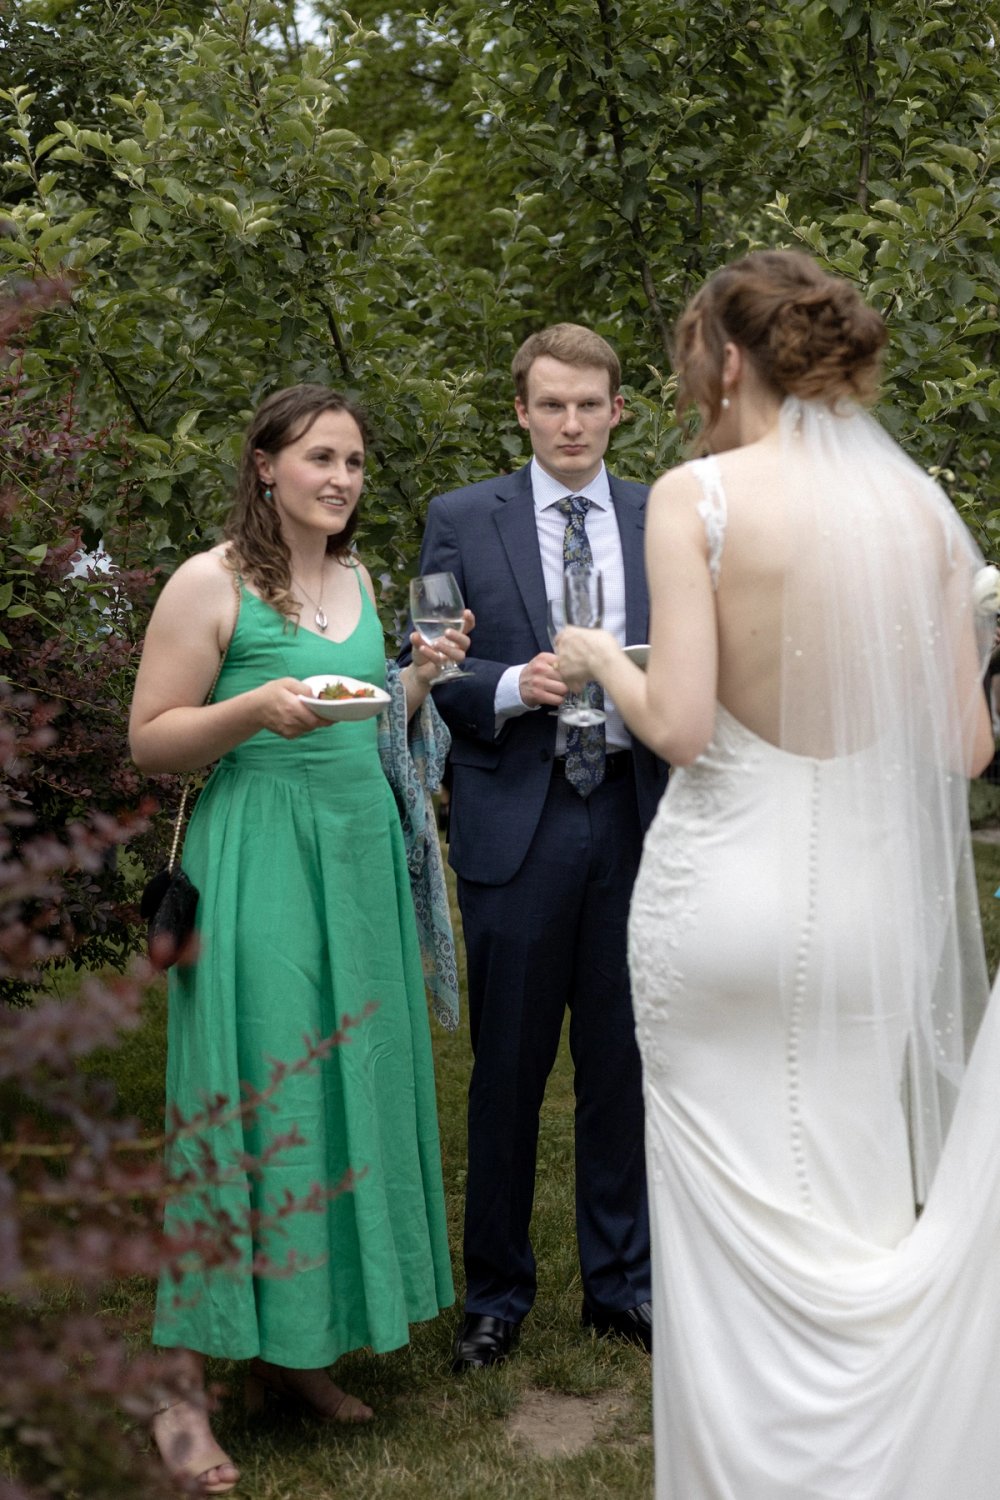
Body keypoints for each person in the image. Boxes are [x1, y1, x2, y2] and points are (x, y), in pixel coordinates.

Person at [556, 249, 1000, 1500]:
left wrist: (602, 656)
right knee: (853, 1194)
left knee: (724, 1222)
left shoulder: (695, 495)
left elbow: (682, 727)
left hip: (722, 906)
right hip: (869, 913)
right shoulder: (917, 511)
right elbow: (966, 747)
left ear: (730, 360)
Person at [129, 384, 472, 1494]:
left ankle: (296, 1349)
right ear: (265, 467)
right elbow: (152, 741)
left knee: (337, 1094)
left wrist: (417, 679)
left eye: (355, 463)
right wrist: (251, 710)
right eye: (321, 458)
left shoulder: (361, 582)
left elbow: (368, 718)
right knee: (249, 1101)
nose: (341, 479)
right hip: (262, 862)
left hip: (357, 864)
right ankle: (177, 1393)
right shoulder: (209, 582)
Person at [412, 323, 668, 1372]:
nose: (571, 423)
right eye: (551, 404)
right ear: (520, 411)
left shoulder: (663, 517)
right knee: (508, 1070)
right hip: (519, 817)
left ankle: (621, 1285)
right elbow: (427, 658)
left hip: (636, 815)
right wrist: (515, 684)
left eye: (589, 404)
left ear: (617, 410)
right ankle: (495, 1294)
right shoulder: (460, 517)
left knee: (623, 1063)